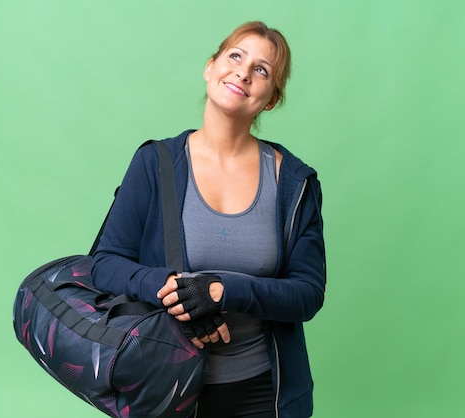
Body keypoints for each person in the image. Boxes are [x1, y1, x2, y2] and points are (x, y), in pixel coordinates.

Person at [92, 21, 326, 418]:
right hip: (165, 386)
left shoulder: (294, 181)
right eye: (235, 56)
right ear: (210, 66)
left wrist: (219, 290)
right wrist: (175, 291)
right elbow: (104, 263)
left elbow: (307, 293)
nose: (244, 72)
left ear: (271, 99)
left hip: (264, 393)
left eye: (262, 70)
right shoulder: (155, 163)